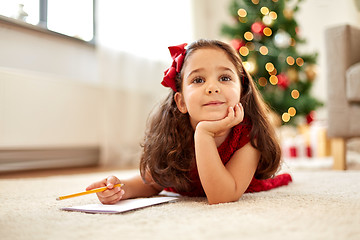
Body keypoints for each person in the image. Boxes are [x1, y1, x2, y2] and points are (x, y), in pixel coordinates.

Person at [86, 39, 292, 205]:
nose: (212, 87)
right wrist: (118, 188)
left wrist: (204, 133)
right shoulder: (173, 135)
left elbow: (222, 197)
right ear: (181, 101)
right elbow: (151, 182)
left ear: (242, 91)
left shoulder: (248, 136)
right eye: (198, 80)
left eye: (225, 78)